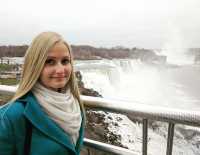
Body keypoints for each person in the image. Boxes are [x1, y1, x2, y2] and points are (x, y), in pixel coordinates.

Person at [0, 32, 85, 155]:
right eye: (50, 61)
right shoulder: (10, 117)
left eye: (65, 61)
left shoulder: (76, 108)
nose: (61, 70)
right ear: (35, 66)